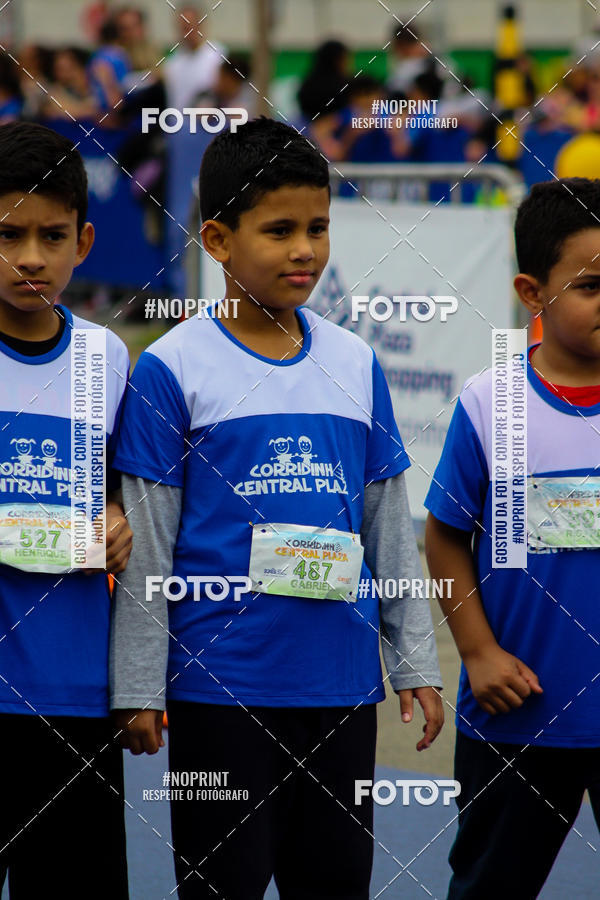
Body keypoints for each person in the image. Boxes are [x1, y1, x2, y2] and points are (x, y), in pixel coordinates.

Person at [110, 116, 444, 899]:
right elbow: (149, 541)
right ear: (218, 240)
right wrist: (139, 684)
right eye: (280, 230)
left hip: (340, 688)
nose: (305, 251)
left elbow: (388, 526)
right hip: (219, 689)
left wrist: (414, 662)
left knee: (335, 883)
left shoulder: (355, 362)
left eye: (318, 228)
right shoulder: (170, 368)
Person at [425, 177, 600, 899]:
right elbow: (444, 538)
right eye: (591, 286)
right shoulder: (491, 402)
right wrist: (478, 652)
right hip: (518, 714)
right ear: (533, 293)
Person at [0, 121, 132, 898]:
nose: (30, 257)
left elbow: (121, 496)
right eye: (8, 235)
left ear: (83, 242)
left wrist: (116, 519)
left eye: (52, 236)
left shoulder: (106, 358)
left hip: (77, 699)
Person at [163, 3, 225, 110]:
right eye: (184, 28)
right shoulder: (172, 61)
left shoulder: (219, 55)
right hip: (176, 118)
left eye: (190, 27)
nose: (187, 33)